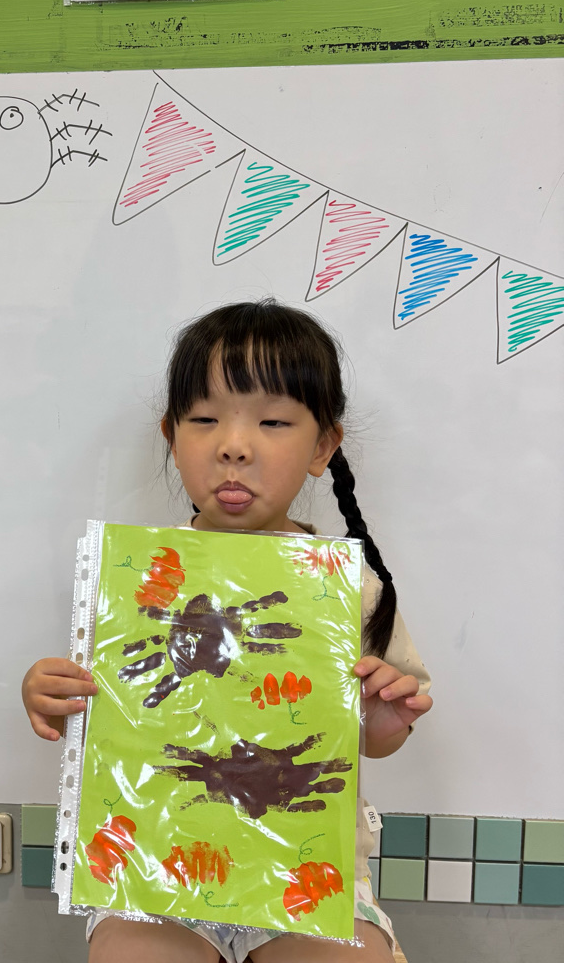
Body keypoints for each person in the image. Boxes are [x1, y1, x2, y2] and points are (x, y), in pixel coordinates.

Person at [21, 299, 432, 963]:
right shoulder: (134, 582)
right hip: (155, 868)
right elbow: (102, 710)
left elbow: (377, 738)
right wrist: (49, 693)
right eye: (205, 419)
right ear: (171, 435)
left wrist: (382, 717)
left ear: (323, 446)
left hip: (306, 870)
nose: (233, 445)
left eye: (272, 422)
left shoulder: (349, 586)